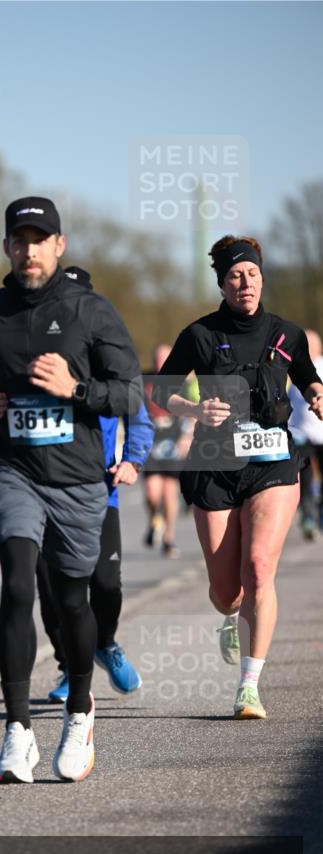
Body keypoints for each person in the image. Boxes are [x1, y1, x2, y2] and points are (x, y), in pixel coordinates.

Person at [0, 197, 142, 783]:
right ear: (6, 247)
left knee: (72, 600)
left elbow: (130, 392)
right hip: (12, 469)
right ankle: (17, 731)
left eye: (40, 239)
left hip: (77, 478)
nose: (28, 250)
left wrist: (75, 389)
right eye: (19, 240)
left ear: (59, 245)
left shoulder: (91, 311)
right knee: (16, 584)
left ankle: (80, 713)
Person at [154, 235, 323, 720]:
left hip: (273, 464)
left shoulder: (287, 334)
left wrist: (316, 394)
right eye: (234, 275)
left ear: (262, 279)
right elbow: (162, 391)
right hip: (215, 466)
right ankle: (232, 616)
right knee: (226, 591)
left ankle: (249, 686)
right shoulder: (200, 335)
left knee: (259, 568)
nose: (244, 282)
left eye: (251, 273)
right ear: (222, 284)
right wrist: (194, 409)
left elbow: (307, 376)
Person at [44, 267, 155, 703]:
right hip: (44, 491)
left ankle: (105, 643)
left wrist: (133, 461)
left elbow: (139, 417)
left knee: (106, 583)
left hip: (99, 489)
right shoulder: (40, 356)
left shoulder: (109, 359)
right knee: (52, 590)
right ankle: (72, 668)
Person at [142, 344, 194, 557]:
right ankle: (155, 519)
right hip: (151, 441)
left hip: (174, 442)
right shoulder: (143, 380)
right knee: (152, 492)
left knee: (169, 492)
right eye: (157, 358)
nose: (159, 362)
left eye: (164, 358)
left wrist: (187, 436)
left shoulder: (181, 381)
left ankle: (168, 538)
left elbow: (192, 409)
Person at [288, 329, 323, 540]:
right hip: (301, 433)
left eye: (311, 344)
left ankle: (320, 515)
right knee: (306, 478)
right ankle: (308, 518)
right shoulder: (295, 368)